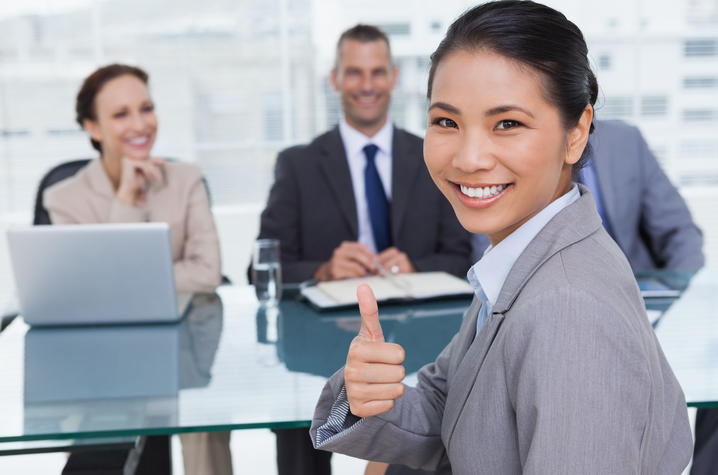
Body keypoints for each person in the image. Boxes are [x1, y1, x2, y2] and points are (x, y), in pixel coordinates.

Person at [309, 2, 693, 474]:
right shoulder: (520, 258)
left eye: (507, 124)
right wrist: (366, 394)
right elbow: (454, 409)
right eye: (446, 122)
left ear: (576, 133)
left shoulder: (568, 308)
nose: (469, 158)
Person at [256, 24, 472, 475]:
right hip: (321, 347)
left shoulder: (433, 154)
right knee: (299, 420)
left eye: (377, 72)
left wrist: (414, 266)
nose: (367, 85)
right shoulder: (298, 164)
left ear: (394, 77)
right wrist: (323, 269)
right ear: (335, 80)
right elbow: (260, 267)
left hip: (422, 346)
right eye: (354, 73)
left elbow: (460, 255)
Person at [43, 64, 230, 475]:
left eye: (146, 108)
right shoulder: (64, 198)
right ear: (93, 128)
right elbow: (89, 294)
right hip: (103, 364)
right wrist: (127, 196)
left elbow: (208, 272)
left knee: (206, 421)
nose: (141, 124)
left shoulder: (185, 179)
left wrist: (119, 282)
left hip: (184, 352)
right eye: (121, 114)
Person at [471, 119, 705, 270]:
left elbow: (679, 232)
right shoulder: (505, 153)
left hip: (638, 291)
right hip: (550, 298)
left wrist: (676, 296)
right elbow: (491, 250)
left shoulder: (626, 140)